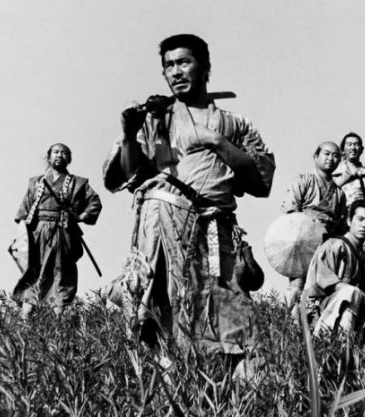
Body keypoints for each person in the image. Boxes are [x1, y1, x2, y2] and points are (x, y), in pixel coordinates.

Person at [102, 34, 275, 358]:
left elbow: (259, 182)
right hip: (162, 228)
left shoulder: (235, 124)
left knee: (235, 328)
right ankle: (172, 383)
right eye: (169, 65)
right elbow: (129, 175)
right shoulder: (155, 118)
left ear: (205, 67)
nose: (176, 71)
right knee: (162, 319)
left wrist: (216, 141)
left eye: (183, 62)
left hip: (214, 231)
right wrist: (128, 134)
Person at [13, 143, 102, 317]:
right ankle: (25, 320)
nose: (59, 155)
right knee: (33, 275)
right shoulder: (36, 182)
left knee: (61, 275)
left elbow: (95, 203)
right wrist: (19, 237)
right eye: (56, 152)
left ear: (69, 159)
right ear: (49, 157)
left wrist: (79, 216)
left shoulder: (78, 183)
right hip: (37, 234)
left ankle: (58, 321)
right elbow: (24, 213)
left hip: (62, 234)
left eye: (64, 153)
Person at [280, 141, 346, 315]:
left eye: (336, 156)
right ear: (316, 156)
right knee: (297, 286)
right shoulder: (303, 181)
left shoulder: (339, 193)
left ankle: (316, 326)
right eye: (326, 154)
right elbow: (290, 212)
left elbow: (341, 225)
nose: (331, 158)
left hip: (327, 245)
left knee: (322, 289)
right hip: (303, 239)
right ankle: (290, 325)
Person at [303, 200, 365, 336]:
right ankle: (339, 344)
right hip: (320, 311)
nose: (364, 225)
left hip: (351, 309)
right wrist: (359, 294)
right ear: (349, 221)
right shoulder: (333, 246)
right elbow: (326, 283)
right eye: (360, 219)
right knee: (352, 292)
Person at [333, 132, 365, 207]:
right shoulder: (334, 173)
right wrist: (342, 181)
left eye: (356, 144)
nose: (353, 148)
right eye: (349, 144)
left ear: (362, 149)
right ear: (342, 150)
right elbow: (327, 196)